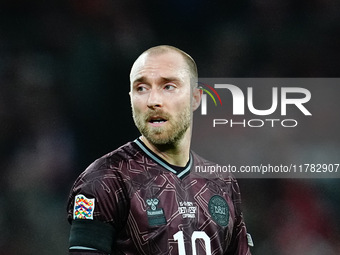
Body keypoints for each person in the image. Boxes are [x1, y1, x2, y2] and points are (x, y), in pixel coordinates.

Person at [67, 45, 253, 254]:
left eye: (168, 86)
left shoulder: (222, 183)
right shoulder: (104, 180)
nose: (153, 101)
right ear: (130, 99)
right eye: (142, 88)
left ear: (195, 97)